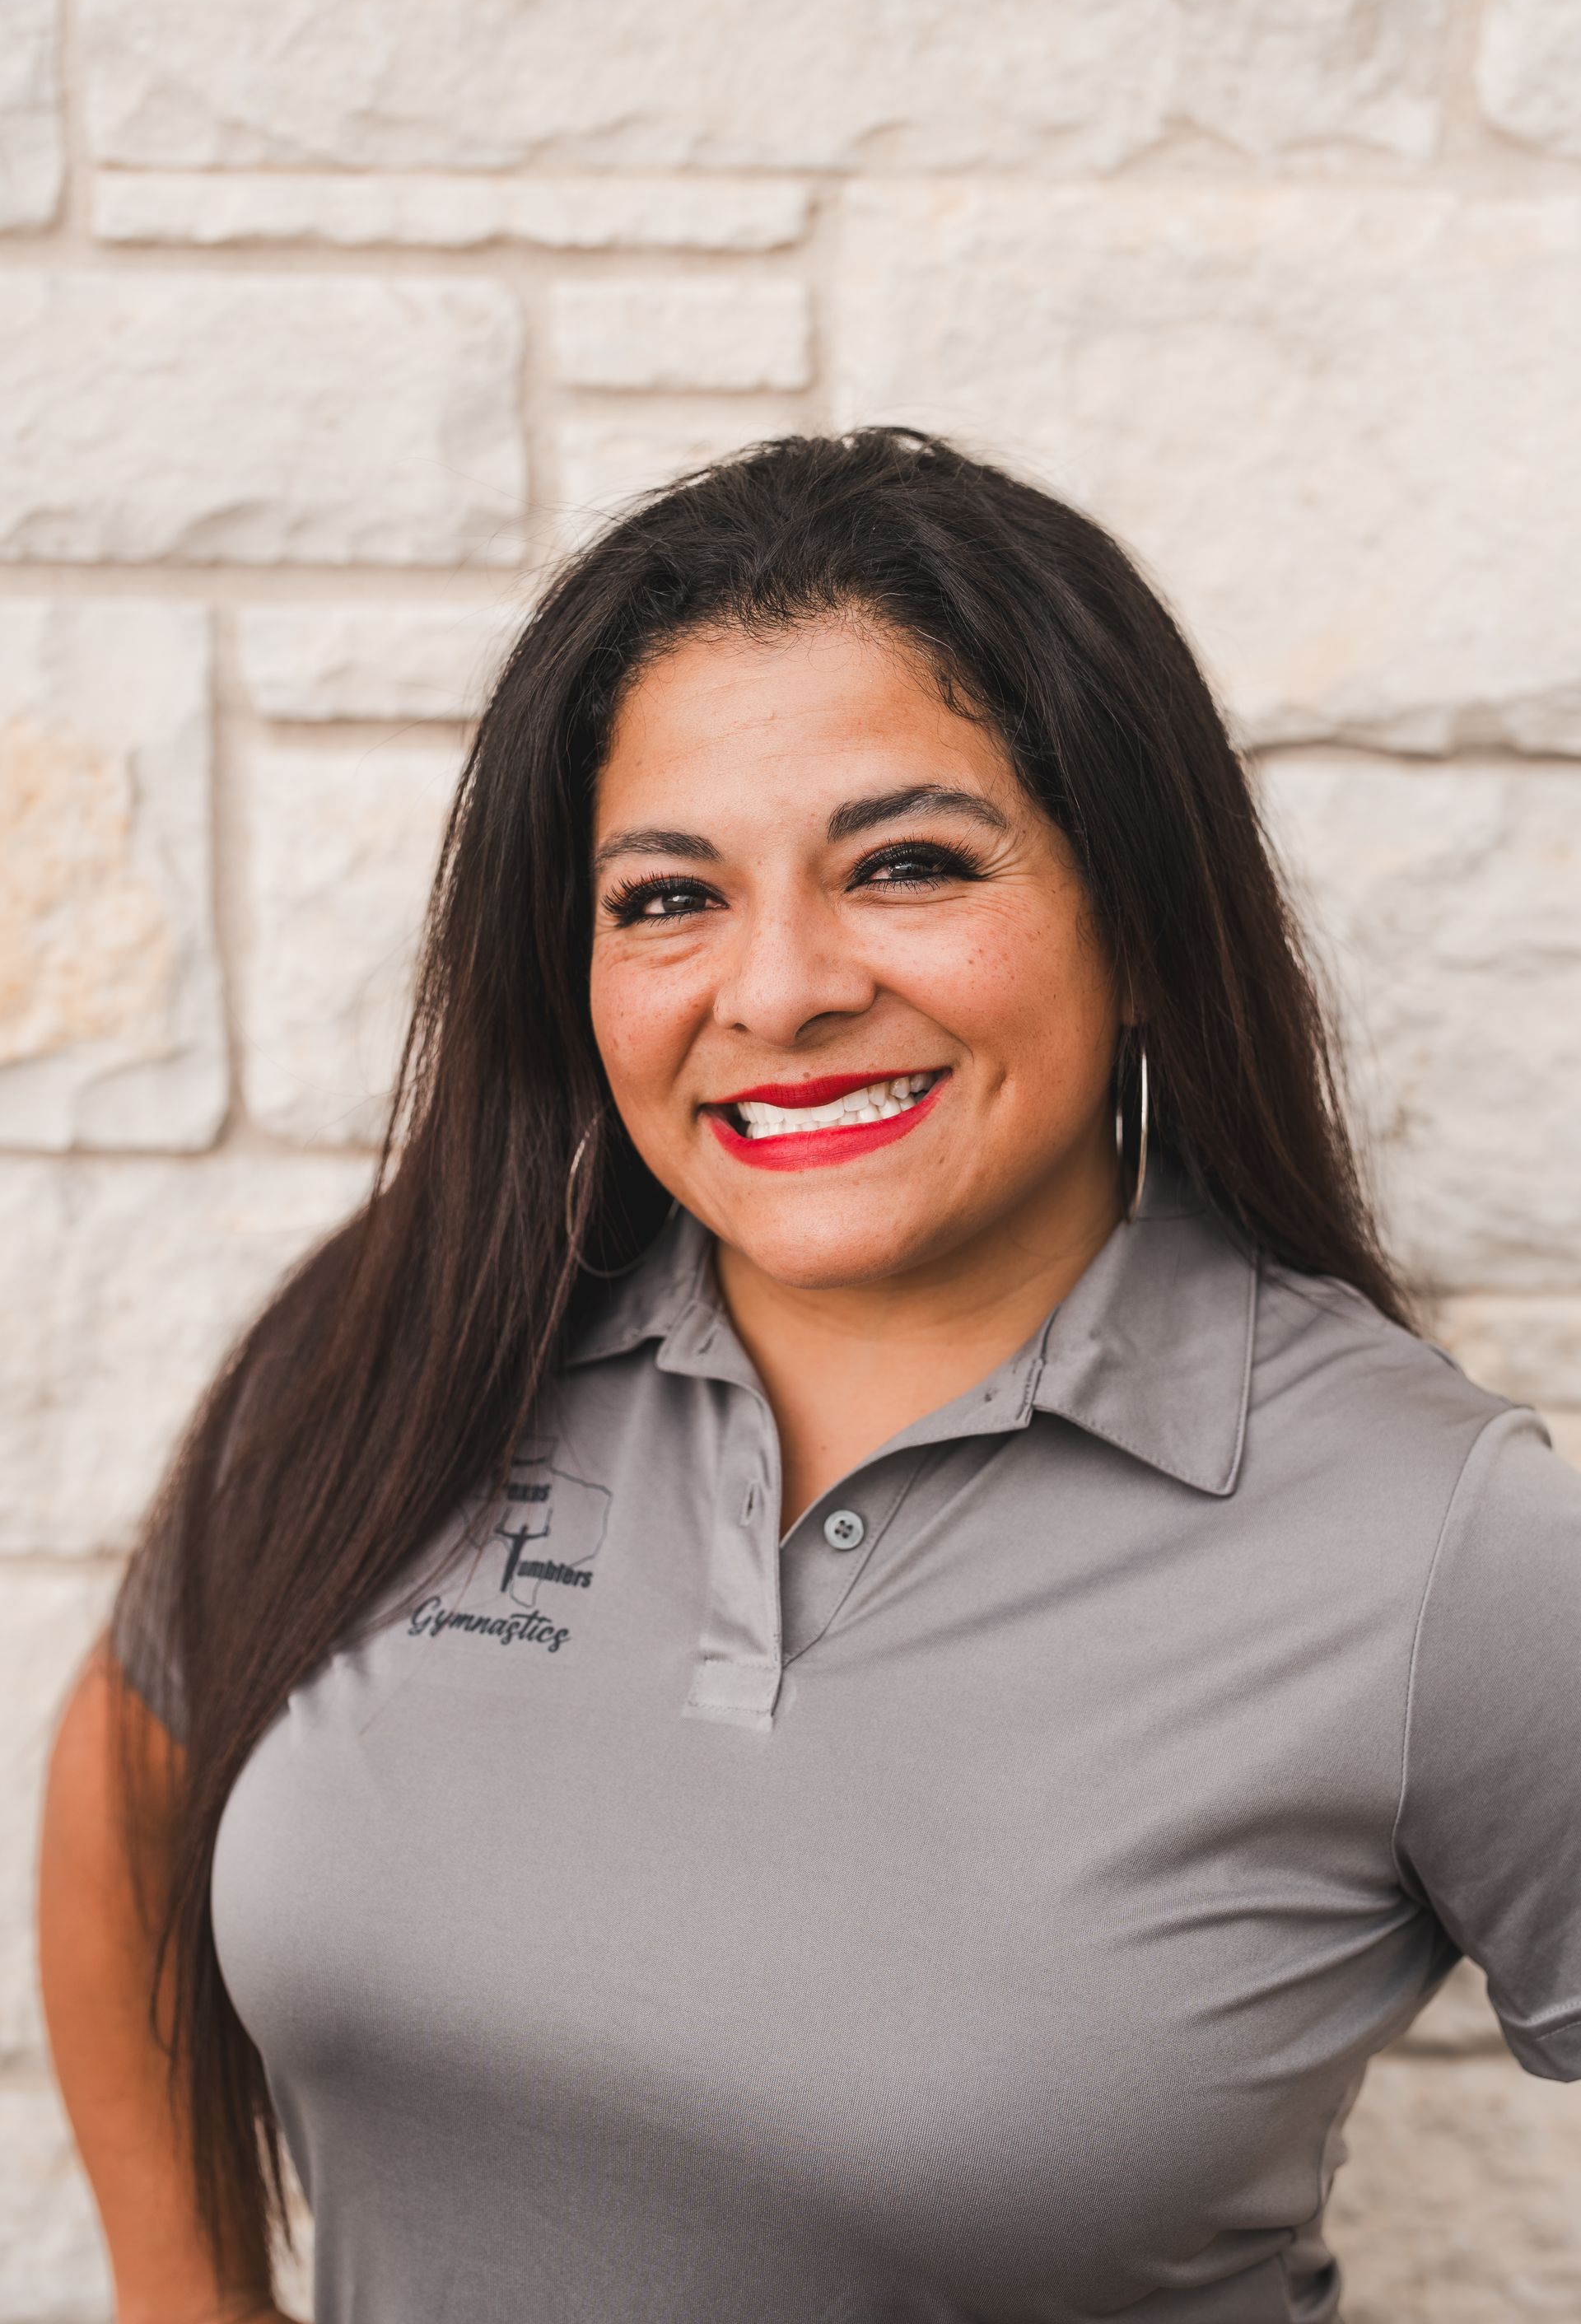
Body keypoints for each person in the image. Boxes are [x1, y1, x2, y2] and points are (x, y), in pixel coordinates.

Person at [39, 430, 1580, 2324]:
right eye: (668, 897)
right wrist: (178, 2295)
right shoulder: (415, 1339)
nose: (775, 991)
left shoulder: (1438, 1542)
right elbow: (139, 1753)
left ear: (1148, 928)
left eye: (910, 864)